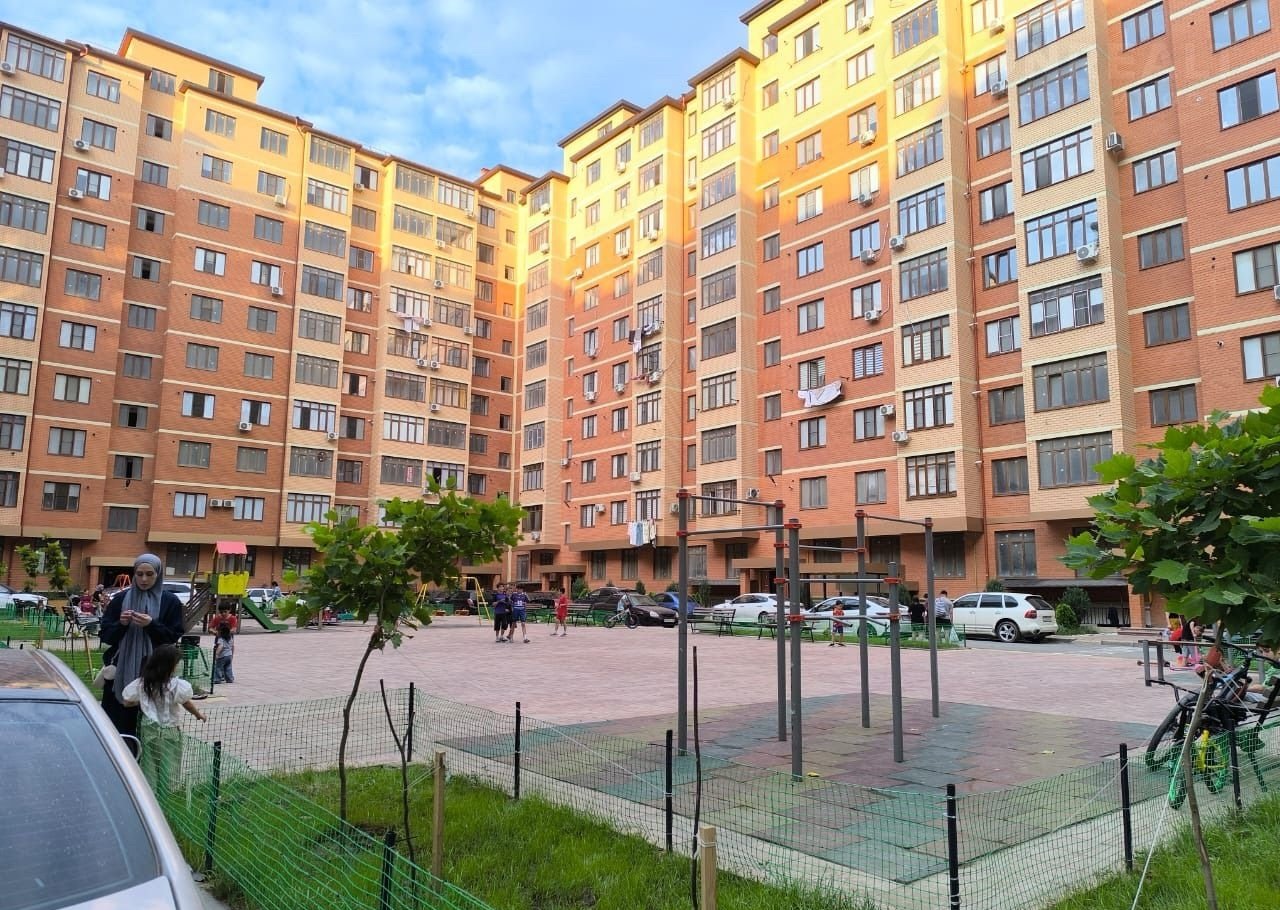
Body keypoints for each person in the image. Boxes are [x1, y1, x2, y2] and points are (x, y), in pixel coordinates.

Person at [99, 553, 185, 746]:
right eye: (139, 574)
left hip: (154, 675)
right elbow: (106, 635)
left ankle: (145, 763)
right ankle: (119, 759)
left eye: (149, 574)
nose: (144, 579)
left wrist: (151, 625)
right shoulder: (121, 599)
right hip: (120, 672)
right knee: (118, 726)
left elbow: (172, 637)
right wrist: (121, 624)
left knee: (149, 729)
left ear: (158, 575)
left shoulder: (169, 601)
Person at [120, 643, 206, 791]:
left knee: (149, 761)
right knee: (170, 760)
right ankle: (166, 790)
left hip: (149, 728)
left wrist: (143, 702)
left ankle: (150, 790)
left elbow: (126, 702)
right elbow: (186, 703)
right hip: (170, 728)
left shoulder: (142, 683)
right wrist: (198, 714)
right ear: (170, 666)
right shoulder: (176, 685)